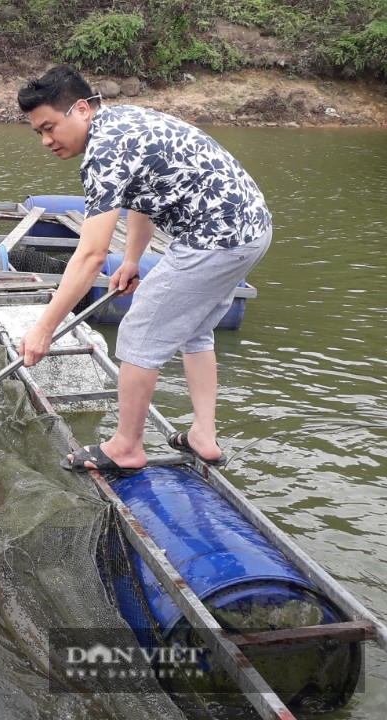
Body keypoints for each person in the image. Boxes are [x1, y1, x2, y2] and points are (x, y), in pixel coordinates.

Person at [15, 65, 272, 476]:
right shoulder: (120, 120)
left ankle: (126, 447)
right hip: (251, 232)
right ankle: (203, 435)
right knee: (195, 329)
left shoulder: (102, 153)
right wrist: (132, 259)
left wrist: (44, 328)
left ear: (81, 109)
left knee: (138, 331)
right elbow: (142, 196)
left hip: (214, 241)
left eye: (49, 127)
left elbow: (91, 254)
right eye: (38, 133)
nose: (46, 141)